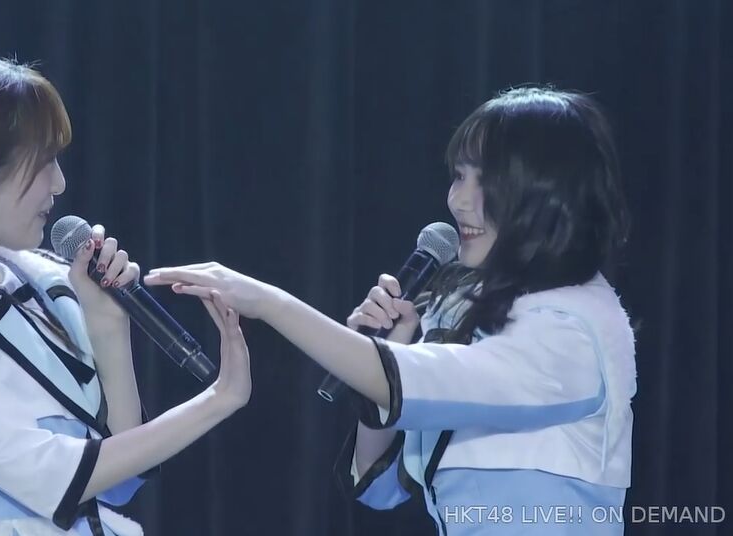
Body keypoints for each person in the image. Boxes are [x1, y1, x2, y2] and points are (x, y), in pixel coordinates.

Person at [145, 87, 636, 535]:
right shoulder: (469, 309)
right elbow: (380, 487)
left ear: (546, 195)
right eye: (458, 176)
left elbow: (420, 381)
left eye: (486, 181)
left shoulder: (574, 330)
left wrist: (270, 303)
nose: (457, 199)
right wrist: (388, 349)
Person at [0, 54, 251, 536]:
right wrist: (219, 399)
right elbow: (51, 476)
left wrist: (107, 326)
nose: (59, 183)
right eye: (43, 163)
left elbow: (118, 483)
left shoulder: (39, 284)